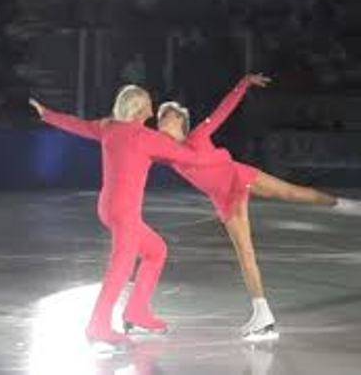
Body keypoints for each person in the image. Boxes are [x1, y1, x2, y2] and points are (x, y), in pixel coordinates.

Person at [157, 74, 361, 339]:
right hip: (224, 198)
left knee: (293, 193)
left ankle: (342, 204)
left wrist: (243, 84)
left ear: (180, 120)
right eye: (160, 117)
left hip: (238, 175)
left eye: (166, 115)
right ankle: (262, 314)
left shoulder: (198, 135)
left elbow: (223, 111)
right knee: (245, 253)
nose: (161, 120)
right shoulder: (165, 154)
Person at [29, 85, 227, 345]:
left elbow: (78, 125)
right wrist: (222, 156)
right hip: (125, 212)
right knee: (121, 267)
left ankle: (136, 311)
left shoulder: (108, 127)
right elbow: (193, 158)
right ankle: (98, 325)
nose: (153, 110)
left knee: (156, 251)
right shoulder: (146, 138)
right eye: (149, 104)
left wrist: (47, 115)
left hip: (108, 207)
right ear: (141, 109)